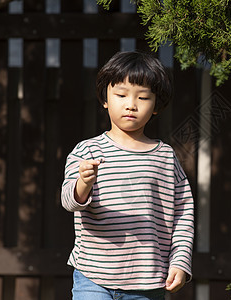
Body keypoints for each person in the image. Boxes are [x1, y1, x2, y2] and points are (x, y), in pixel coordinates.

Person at [61, 51, 194, 300]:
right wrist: (83, 183)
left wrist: (180, 261)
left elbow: (183, 212)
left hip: (147, 281)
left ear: (156, 106)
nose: (131, 104)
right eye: (121, 95)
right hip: (93, 276)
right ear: (105, 99)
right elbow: (68, 201)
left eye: (143, 97)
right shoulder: (87, 150)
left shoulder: (164, 156)